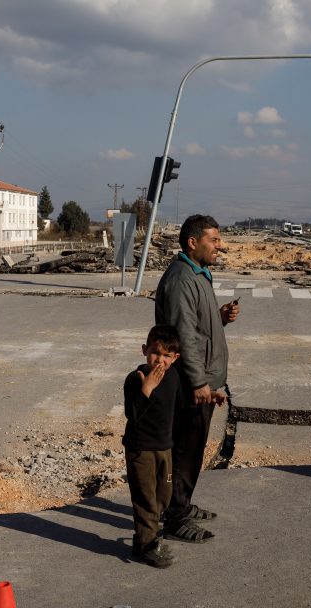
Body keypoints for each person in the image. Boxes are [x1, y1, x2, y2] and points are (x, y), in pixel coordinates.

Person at [155, 214, 239, 544]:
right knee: (186, 450)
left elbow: (198, 326)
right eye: (214, 240)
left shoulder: (198, 275)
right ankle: (175, 516)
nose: (220, 245)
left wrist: (220, 317)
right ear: (194, 243)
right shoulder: (181, 280)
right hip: (191, 383)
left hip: (201, 378)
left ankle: (181, 504)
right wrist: (199, 383)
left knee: (192, 448)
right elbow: (183, 336)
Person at [122, 324, 184, 568]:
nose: (160, 360)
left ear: (175, 358)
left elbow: (178, 408)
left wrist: (210, 396)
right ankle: (146, 544)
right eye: (156, 353)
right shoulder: (135, 379)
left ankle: (146, 535)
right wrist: (146, 389)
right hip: (140, 449)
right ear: (145, 350)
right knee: (145, 498)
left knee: (163, 495)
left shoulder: (174, 377)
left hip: (164, 447)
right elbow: (132, 414)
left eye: (167, 355)